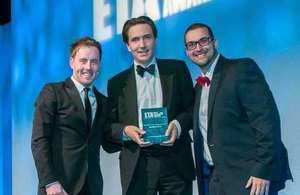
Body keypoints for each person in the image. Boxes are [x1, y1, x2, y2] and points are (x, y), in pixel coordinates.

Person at [184, 23, 293, 195]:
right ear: (187, 51)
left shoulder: (241, 69)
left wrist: (262, 170)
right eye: (191, 45)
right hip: (214, 181)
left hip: (250, 179)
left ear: (215, 43)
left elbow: (266, 121)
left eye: (203, 41)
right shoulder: (198, 88)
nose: (198, 48)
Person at [107, 16, 195, 195]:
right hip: (138, 164)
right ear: (127, 45)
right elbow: (108, 126)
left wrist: (178, 126)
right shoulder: (116, 83)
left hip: (175, 161)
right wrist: (126, 132)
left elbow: (193, 109)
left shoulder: (177, 69)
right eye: (135, 39)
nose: (142, 44)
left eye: (147, 37)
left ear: (155, 39)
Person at [31, 37, 119, 195]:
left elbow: (108, 142)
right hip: (59, 187)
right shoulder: (53, 92)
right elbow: (39, 140)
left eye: (94, 61)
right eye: (83, 61)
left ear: (99, 65)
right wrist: (50, 181)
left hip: (92, 188)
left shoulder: (103, 102)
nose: (88, 67)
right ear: (72, 62)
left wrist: (131, 132)